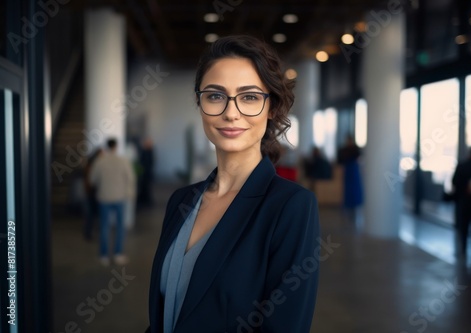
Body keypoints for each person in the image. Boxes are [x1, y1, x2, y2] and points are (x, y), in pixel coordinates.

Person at [147, 35, 320, 333]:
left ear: (272, 108)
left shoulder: (290, 207)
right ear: (200, 104)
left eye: (249, 97)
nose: (230, 112)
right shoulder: (181, 201)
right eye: (215, 95)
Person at [90, 138, 135, 266]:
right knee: (120, 226)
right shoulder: (123, 161)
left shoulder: (100, 161)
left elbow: (93, 180)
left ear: (107, 146)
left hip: (104, 197)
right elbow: (130, 178)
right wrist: (129, 193)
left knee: (104, 226)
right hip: (120, 197)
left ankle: (103, 255)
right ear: (116, 146)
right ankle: (118, 254)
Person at [337, 135, 364, 220]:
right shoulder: (344, 149)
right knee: (348, 189)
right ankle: (348, 205)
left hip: (353, 170)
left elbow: (358, 156)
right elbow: (340, 159)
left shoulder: (355, 149)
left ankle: (355, 204)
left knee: (355, 189)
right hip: (348, 170)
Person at [83, 147, 102, 241]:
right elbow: (91, 181)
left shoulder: (92, 164)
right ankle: (88, 233)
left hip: (92, 192)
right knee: (90, 215)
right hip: (91, 193)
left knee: (91, 215)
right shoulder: (93, 165)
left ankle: (90, 232)